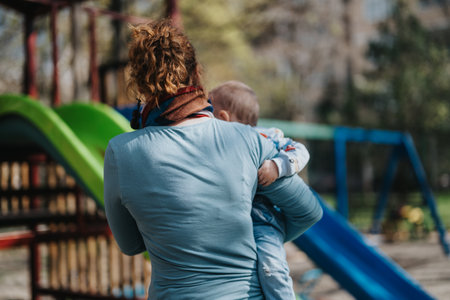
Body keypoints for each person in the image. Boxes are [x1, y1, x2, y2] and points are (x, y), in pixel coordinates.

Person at [104, 19, 322, 300]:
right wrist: (259, 239)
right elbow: (308, 211)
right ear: (196, 73)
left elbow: (130, 244)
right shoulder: (248, 140)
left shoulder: (120, 153)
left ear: (140, 87)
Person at [210, 81, 310, 300]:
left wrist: (277, 166)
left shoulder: (264, 136)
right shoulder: (213, 147)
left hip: (262, 221)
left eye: (209, 111)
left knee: (271, 268)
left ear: (224, 118)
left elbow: (300, 150)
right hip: (231, 223)